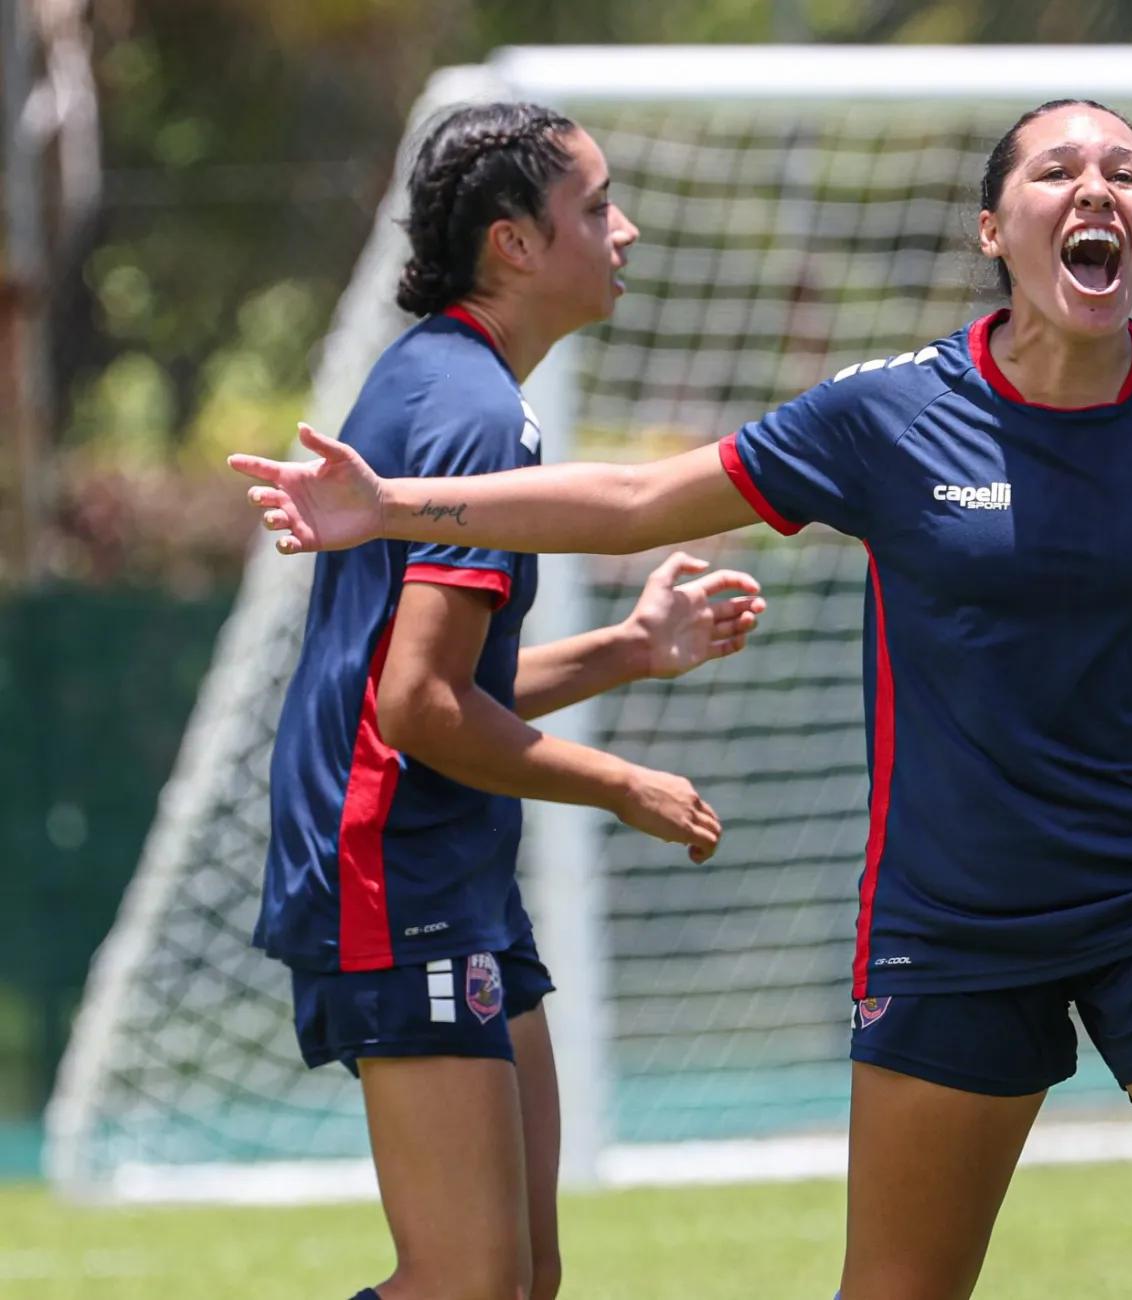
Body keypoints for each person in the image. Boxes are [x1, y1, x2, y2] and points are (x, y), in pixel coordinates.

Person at [231, 99, 1132, 1300]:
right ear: (998, 232)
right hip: (954, 920)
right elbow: (633, 498)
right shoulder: (885, 415)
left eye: (1124, 170)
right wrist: (392, 504)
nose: (1094, 186)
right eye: (1057, 169)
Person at [254, 102, 760, 1300]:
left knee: (522, 1278)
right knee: (466, 1281)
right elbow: (419, 711)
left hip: (444, 862)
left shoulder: (453, 382)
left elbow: (441, 686)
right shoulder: (477, 414)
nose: (623, 230)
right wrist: (621, 782)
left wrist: (629, 651)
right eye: (595, 206)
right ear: (513, 245)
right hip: (394, 865)